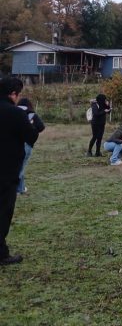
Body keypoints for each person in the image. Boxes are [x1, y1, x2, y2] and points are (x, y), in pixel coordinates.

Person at [1, 77, 36, 266]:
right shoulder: (15, 113)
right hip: (6, 171)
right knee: (3, 211)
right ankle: (1, 253)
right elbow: (31, 136)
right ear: (13, 93)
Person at [17, 98, 45, 195]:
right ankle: (17, 189)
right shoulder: (32, 114)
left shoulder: (13, 112)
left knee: (18, 166)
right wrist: (33, 131)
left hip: (13, 143)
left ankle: (20, 188)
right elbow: (41, 127)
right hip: (26, 144)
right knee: (20, 167)